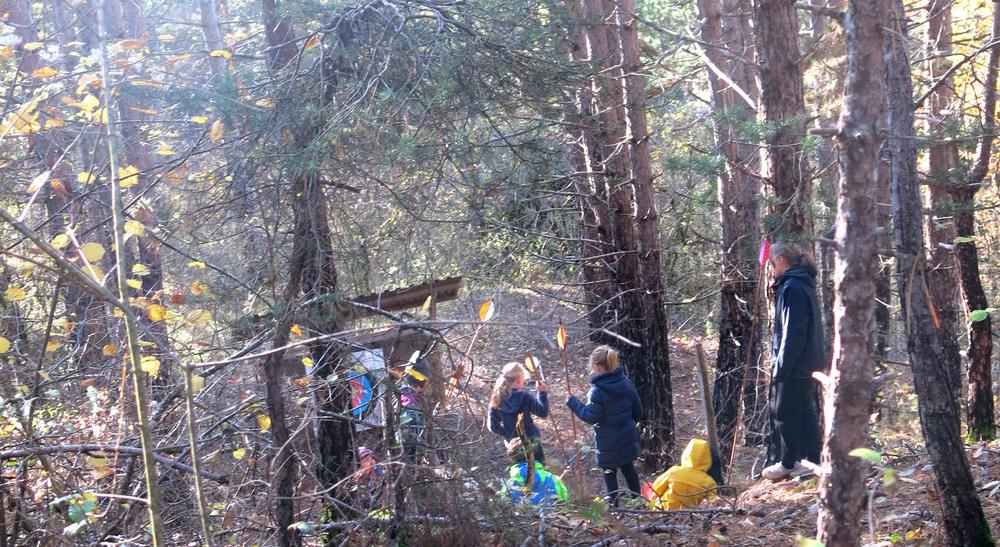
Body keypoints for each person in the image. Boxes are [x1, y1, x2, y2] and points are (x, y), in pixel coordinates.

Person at [761, 242, 825, 481]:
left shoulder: (793, 287)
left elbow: (793, 332)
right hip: (806, 361)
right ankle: (813, 461)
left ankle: (790, 462)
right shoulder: (800, 283)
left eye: (770, 264)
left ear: (779, 260)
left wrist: (782, 367)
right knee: (805, 411)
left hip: (796, 363)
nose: (769, 270)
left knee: (784, 412)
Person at [567, 346, 643, 506]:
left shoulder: (597, 392)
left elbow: (590, 416)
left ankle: (615, 508)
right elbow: (638, 411)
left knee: (610, 472)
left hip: (608, 443)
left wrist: (573, 403)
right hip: (627, 438)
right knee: (628, 467)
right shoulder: (627, 383)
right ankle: (639, 502)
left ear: (596, 366)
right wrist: (627, 425)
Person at [488, 362, 549, 464]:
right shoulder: (524, 396)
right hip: (532, 441)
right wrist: (542, 393)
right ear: (518, 380)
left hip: (514, 445)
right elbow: (543, 412)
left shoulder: (496, 397)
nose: (524, 383)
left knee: (521, 473)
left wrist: (508, 433)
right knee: (540, 471)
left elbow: (493, 426)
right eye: (523, 380)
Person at [500, 437, 568, 506]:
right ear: (534, 454)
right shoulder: (552, 479)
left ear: (512, 458)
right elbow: (565, 503)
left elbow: (504, 507)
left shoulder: (508, 488)